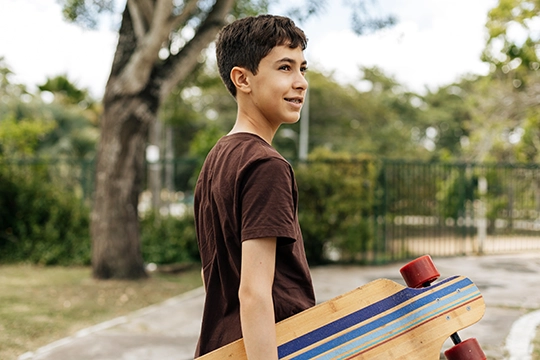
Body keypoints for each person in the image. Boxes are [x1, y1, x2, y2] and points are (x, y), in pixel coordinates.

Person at [194, 14, 316, 359]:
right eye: (284, 68)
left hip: (223, 345)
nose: (301, 82)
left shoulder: (217, 159)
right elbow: (254, 294)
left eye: (302, 69)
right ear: (242, 79)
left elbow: (217, 281)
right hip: (271, 348)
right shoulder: (266, 166)